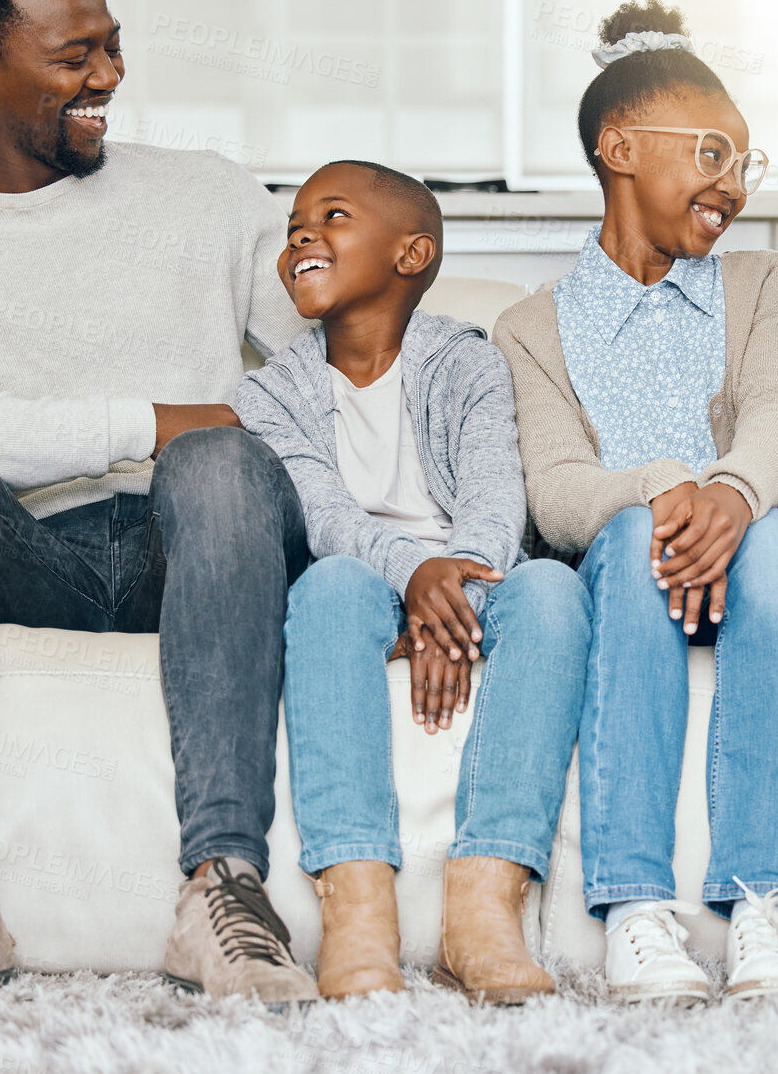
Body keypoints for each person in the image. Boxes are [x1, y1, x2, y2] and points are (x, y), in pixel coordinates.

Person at [0, 0, 318, 1005]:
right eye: (72, 56)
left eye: (112, 46)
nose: (107, 77)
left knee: (222, 460)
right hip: (27, 551)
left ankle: (225, 887)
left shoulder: (210, 194)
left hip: (195, 541)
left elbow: (327, 370)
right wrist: (144, 415)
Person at [493, 0, 778, 1006]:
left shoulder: (760, 282)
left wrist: (726, 490)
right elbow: (553, 494)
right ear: (618, 145)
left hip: (749, 561)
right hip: (628, 573)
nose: (731, 184)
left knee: (772, 539)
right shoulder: (530, 325)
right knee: (636, 527)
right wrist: (663, 486)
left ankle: (764, 903)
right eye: (713, 153)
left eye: (744, 163)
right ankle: (636, 906)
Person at [233, 161, 589, 1004]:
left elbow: (498, 494)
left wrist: (453, 593)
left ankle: (485, 906)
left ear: (410, 253)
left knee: (551, 591)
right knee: (325, 591)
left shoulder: (467, 360)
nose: (302, 236)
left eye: (333, 217)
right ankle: (357, 909)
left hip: (473, 571)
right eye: (293, 228)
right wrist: (413, 574)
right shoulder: (265, 395)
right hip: (361, 574)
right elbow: (322, 517)